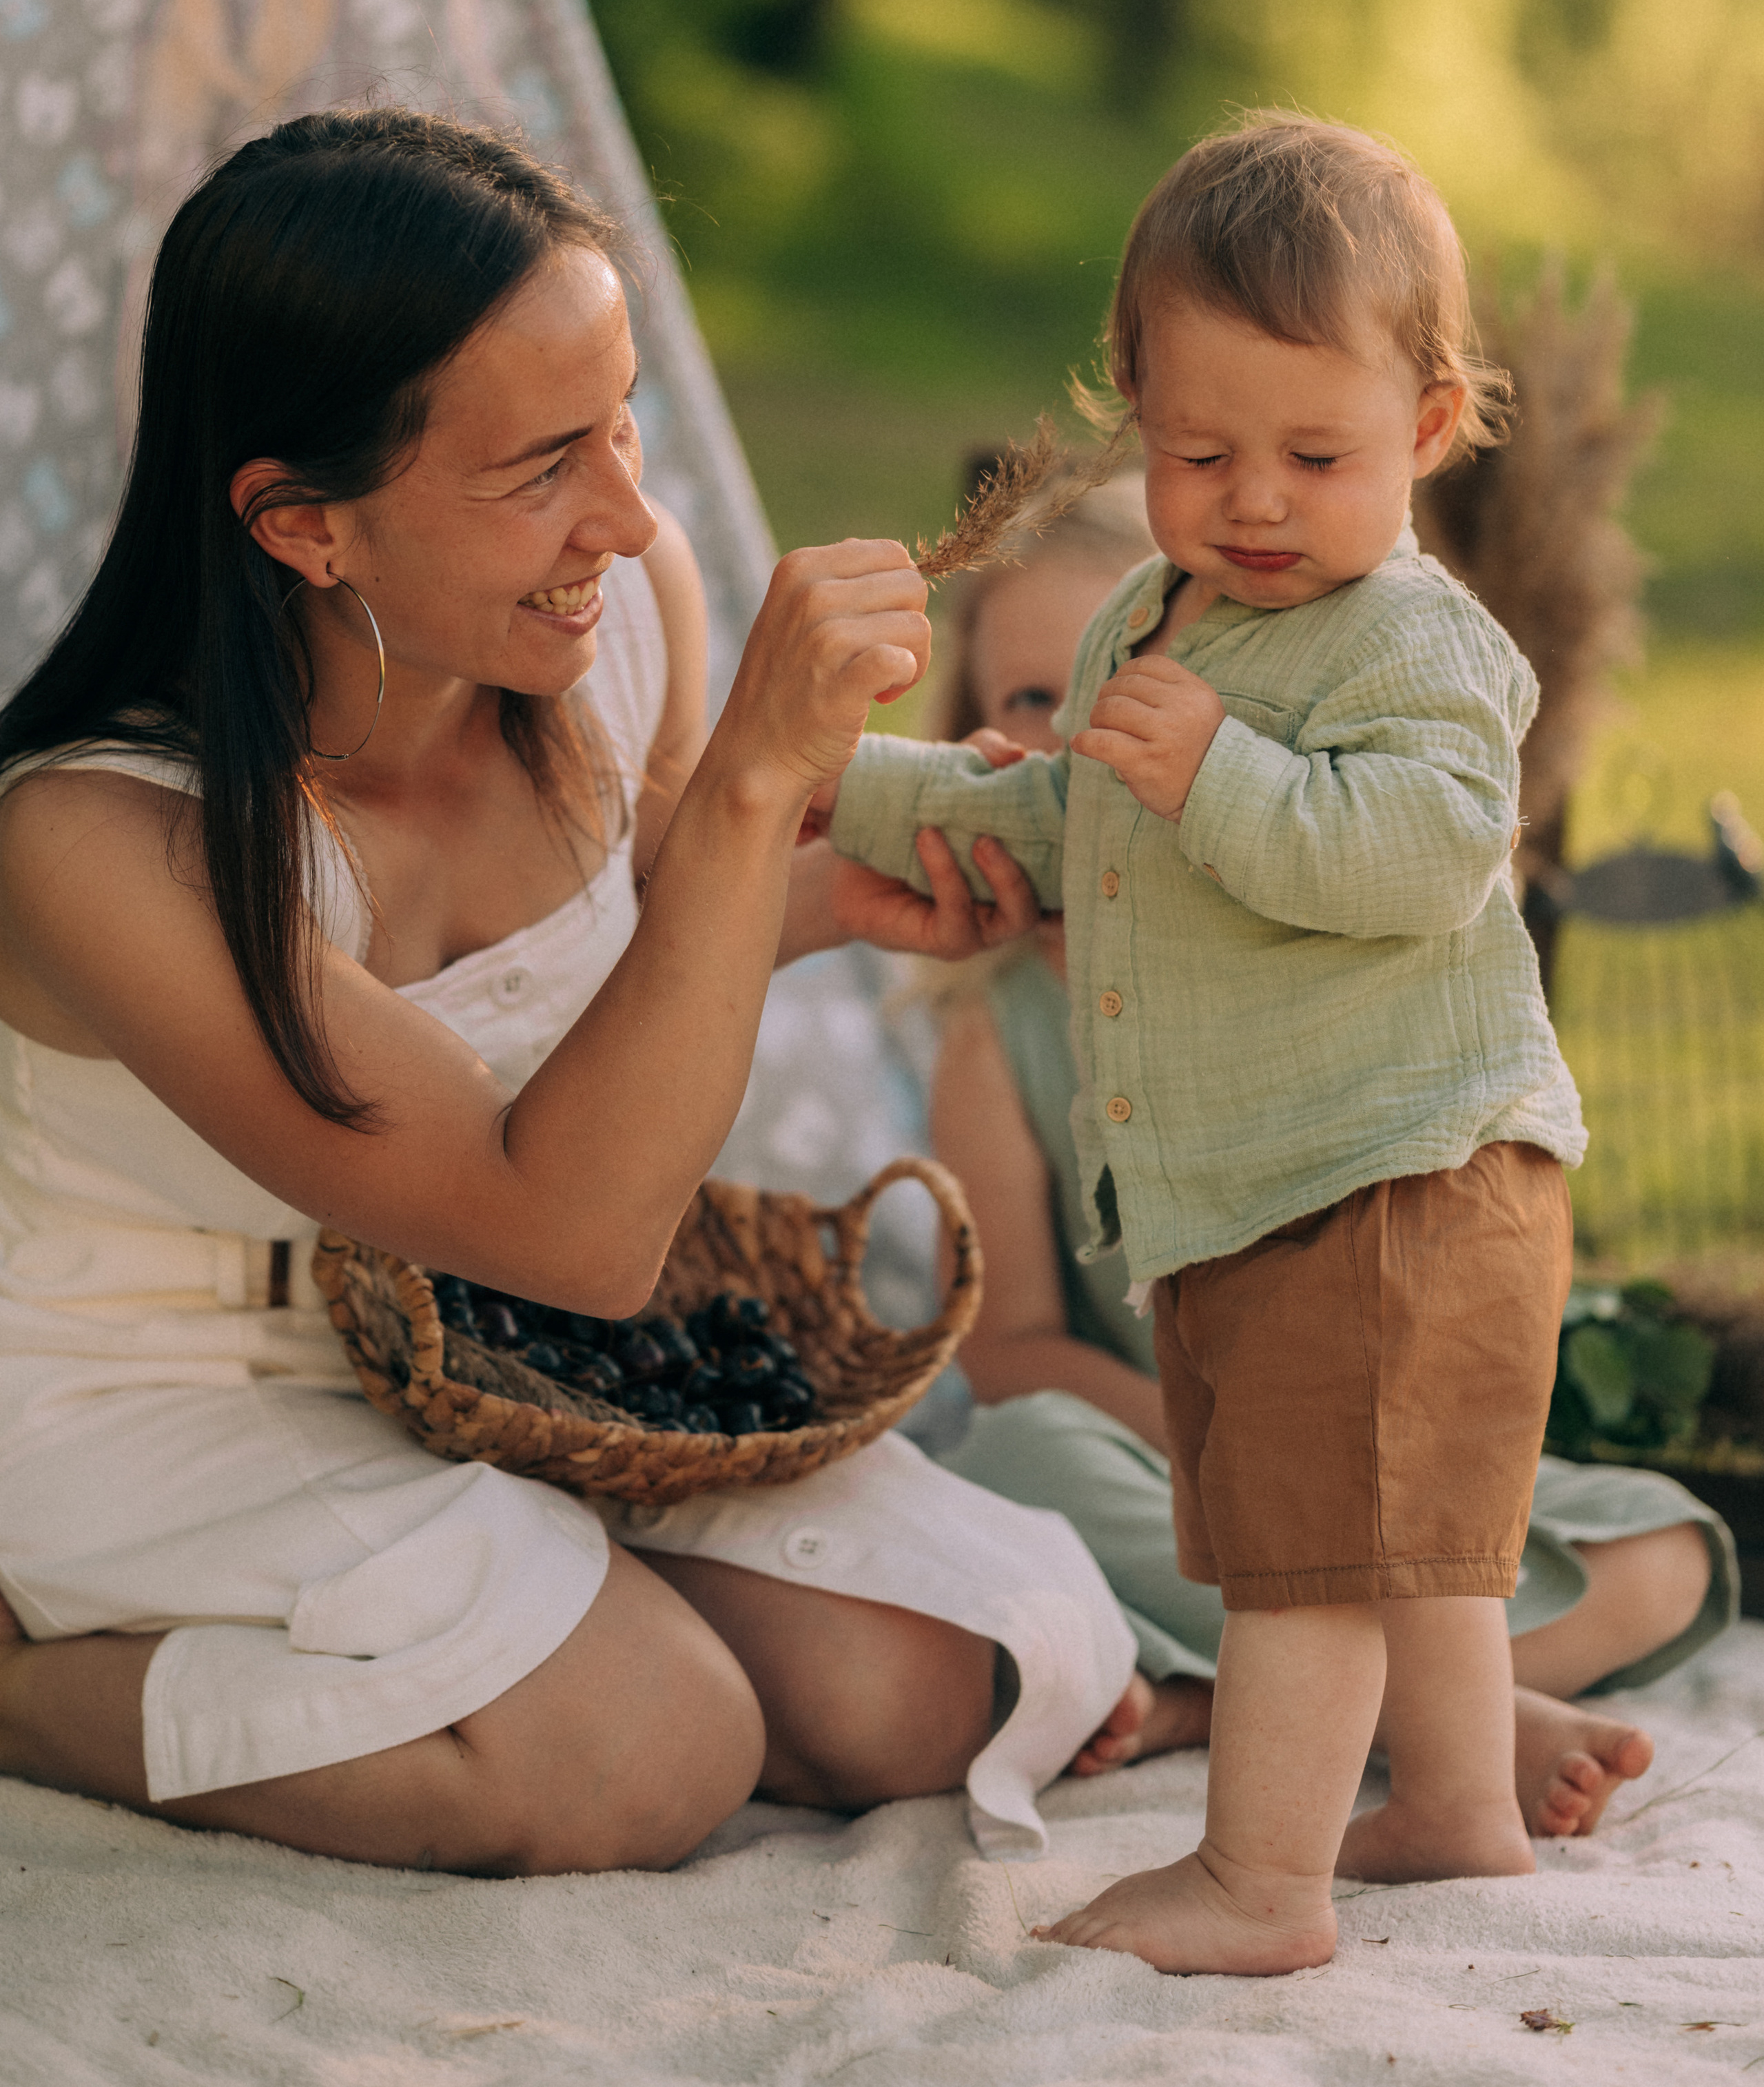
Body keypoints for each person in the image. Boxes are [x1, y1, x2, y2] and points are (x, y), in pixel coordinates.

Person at [0, 106, 1139, 1876]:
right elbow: (581, 1227)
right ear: (304, 527)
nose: (623, 513)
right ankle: (17, 1681)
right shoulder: (96, 840)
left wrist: (844, 892)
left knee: (934, 1685)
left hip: (474, 1349)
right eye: (542, 468)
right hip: (150, 1385)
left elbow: (625, 951)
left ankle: (510, 1601)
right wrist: (762, 785)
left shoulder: (603, 615)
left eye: (620, 421)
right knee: (641, 1751)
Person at [813, 112, 1617, 1975]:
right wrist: (844, 795)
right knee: (1399, 1540)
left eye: (1315, 455)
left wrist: (1226, 773)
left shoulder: (1413, 644)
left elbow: (1422, 859)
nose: (1254, 499)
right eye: (1198, 452)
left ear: (1425, 431)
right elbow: (1070, 822)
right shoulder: (1144, 620)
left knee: (1306, 1563)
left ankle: (1263, 1883)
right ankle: (1462, 1810)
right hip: (1296, 1182)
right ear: (1136, 420)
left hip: (1404, 1168)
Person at [916, 473, 1734, 1843]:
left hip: (1379, 1464)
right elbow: (1003, 1349)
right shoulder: (994, 1033)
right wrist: (1240, 1463)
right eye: (1028, 706)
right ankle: (1458, 1725)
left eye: (1120, 687)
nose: (1084, 740)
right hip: (1157, 1464)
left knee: (1651, 1544)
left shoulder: (1316, 976)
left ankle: (1217, 1706)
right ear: (974, 737)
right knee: (1012, 1456)